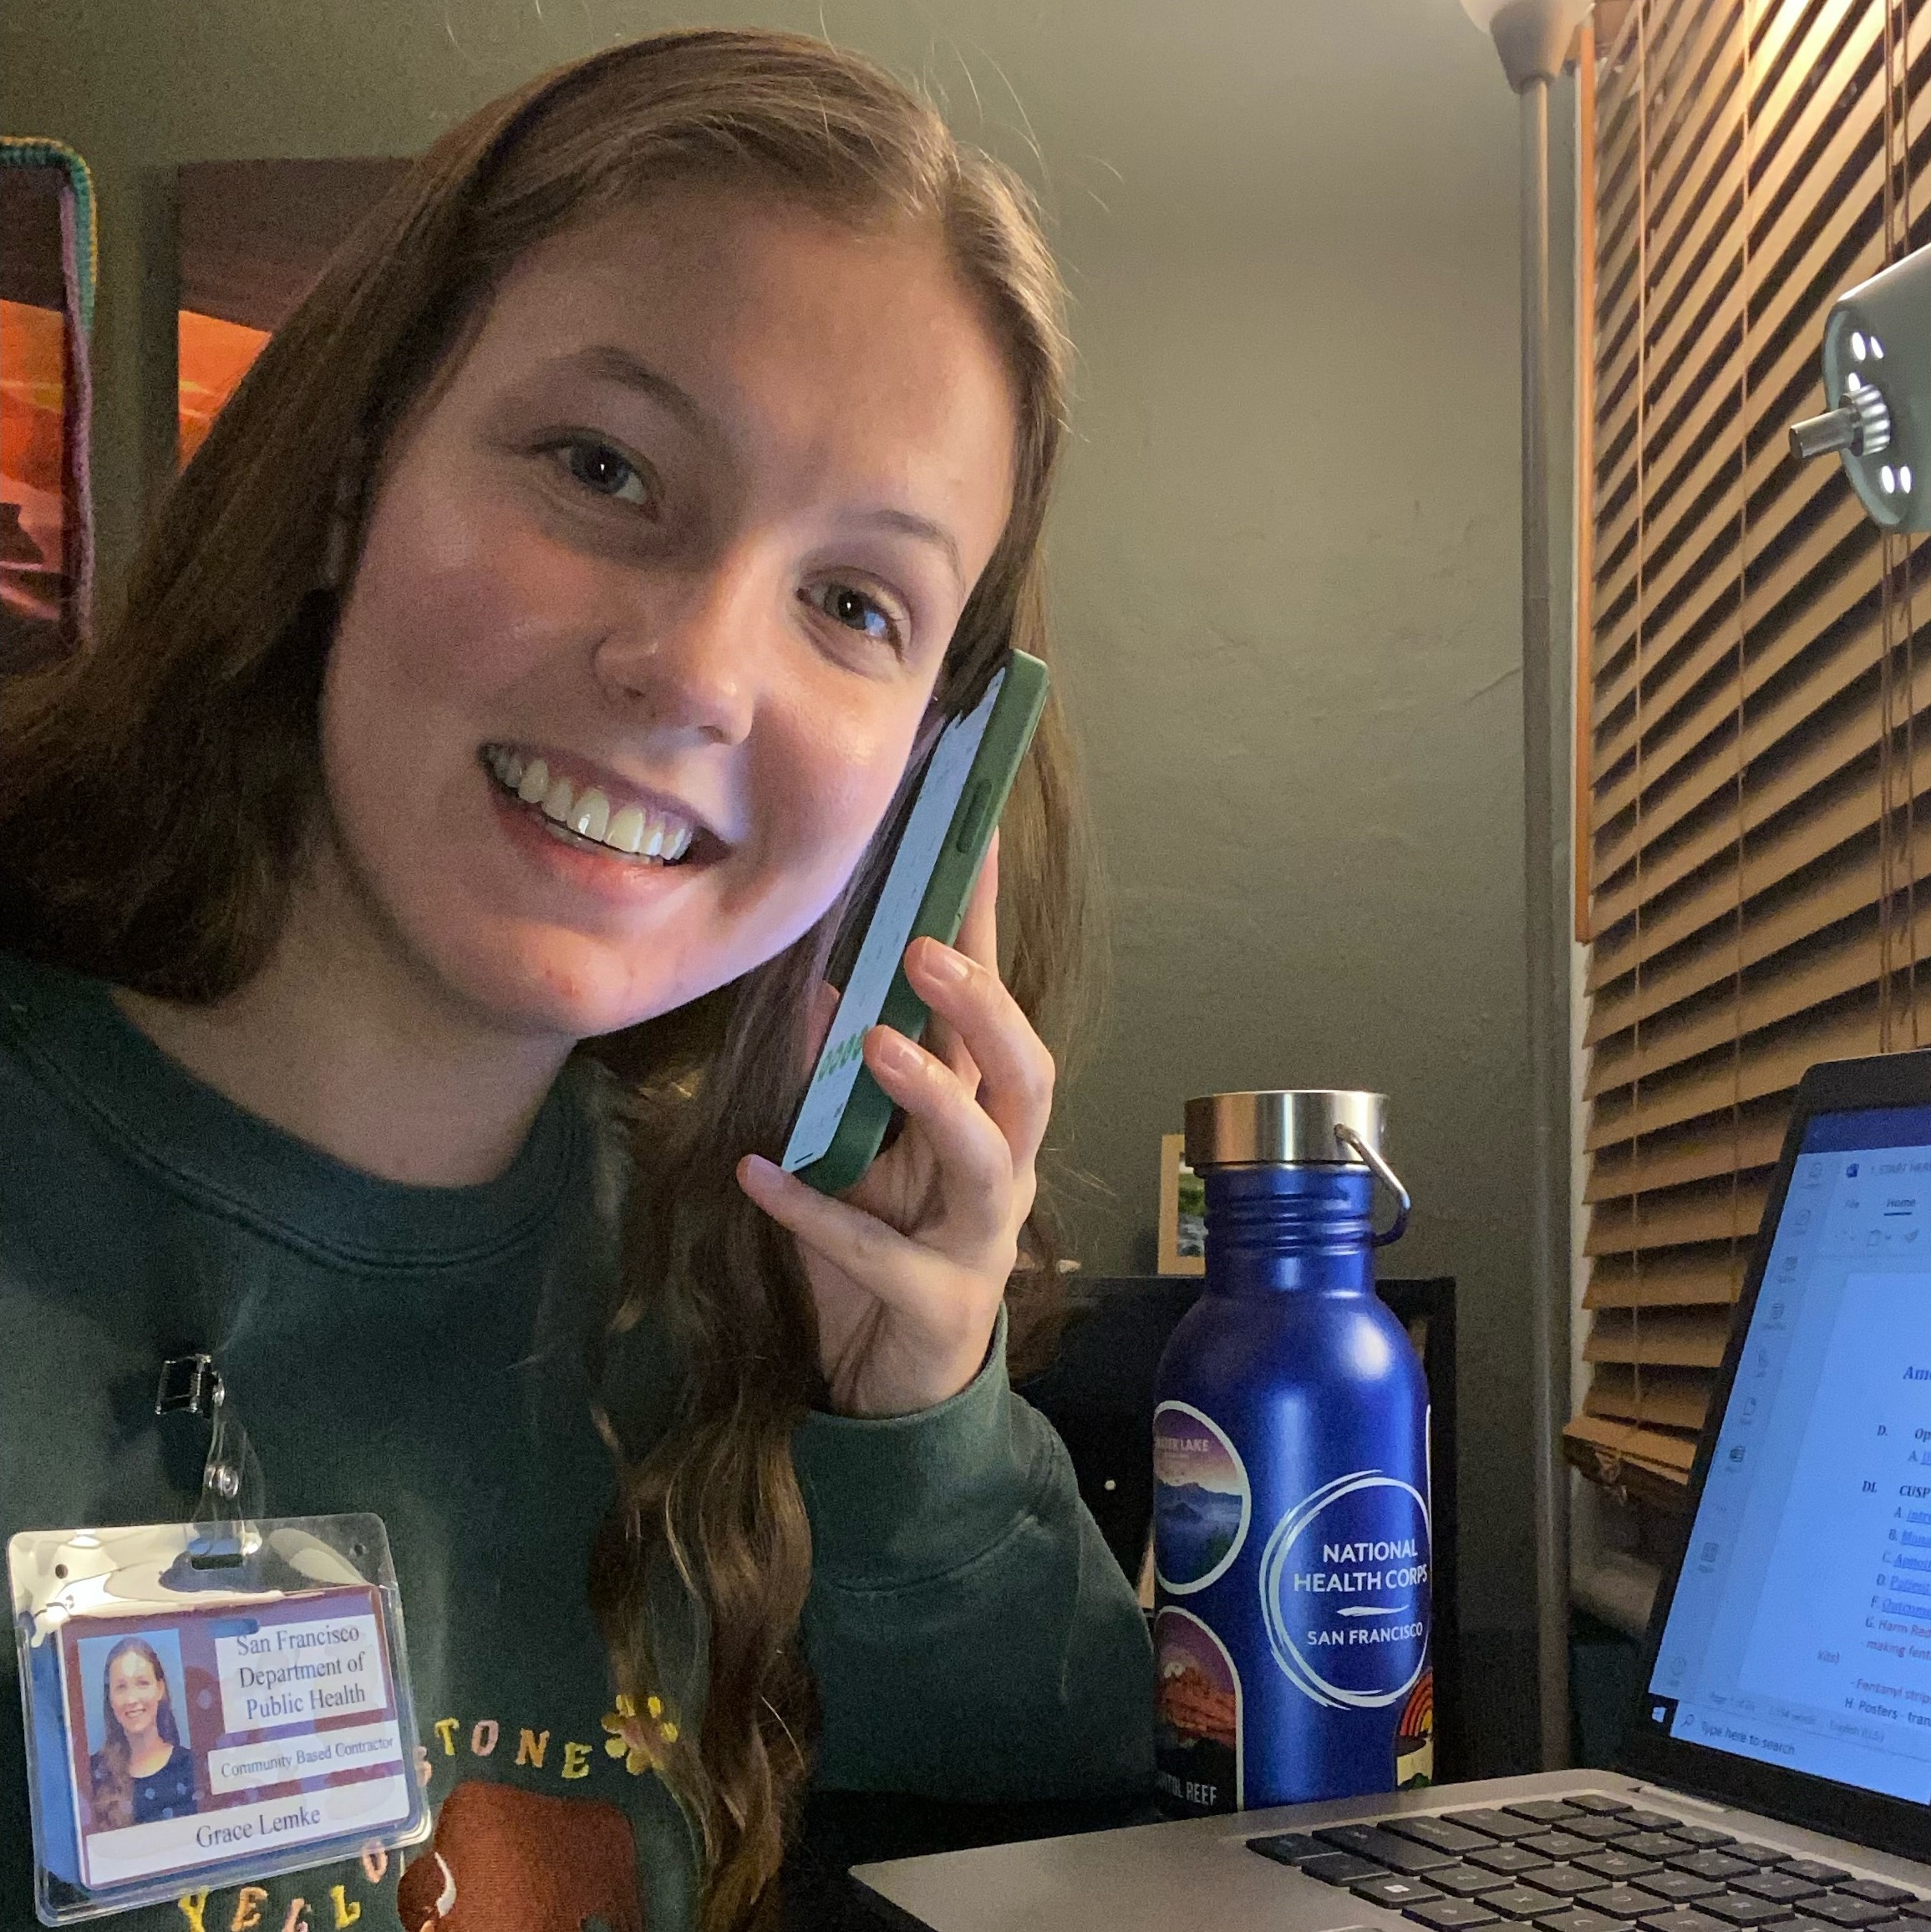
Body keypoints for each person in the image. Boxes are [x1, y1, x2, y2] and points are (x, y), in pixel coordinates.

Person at [0, 28, 1152, 1932]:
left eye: (855, 603)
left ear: (928, 776)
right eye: (604, 467)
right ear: (358, 469)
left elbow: (1061, 1806)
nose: (702, 668)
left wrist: (907, 1403)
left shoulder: (719, 1287)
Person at [89, 1639, 196, 1830]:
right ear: (110, 1698)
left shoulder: (191, 1767)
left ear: (160, 1689)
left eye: (142, 1683)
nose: (132, 1699)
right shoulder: (91, 1774)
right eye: (121, 1687)